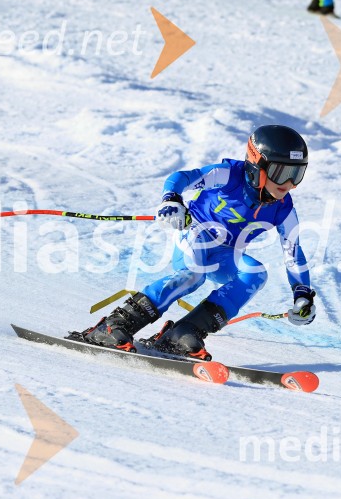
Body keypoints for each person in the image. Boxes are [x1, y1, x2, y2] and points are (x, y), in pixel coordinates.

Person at [69, 125, 318, 361]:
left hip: (226, 253)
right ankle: (113, 326)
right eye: (281, 172)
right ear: (257, 165)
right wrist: (172, 200)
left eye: (297, 174)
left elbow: (293, 253)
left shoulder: (284, 209)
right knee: (195, 273)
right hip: (194, 232)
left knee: (255, 273)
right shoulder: (228, 175)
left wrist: (303, 295)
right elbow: (181, 177)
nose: (288, 184)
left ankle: (183, 334)